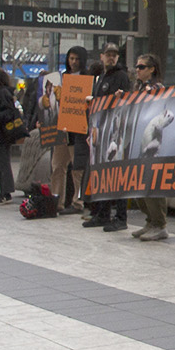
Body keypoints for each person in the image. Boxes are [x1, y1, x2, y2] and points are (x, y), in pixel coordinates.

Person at [89, 43, 133, 231]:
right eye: (108, 55)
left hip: (116, 131)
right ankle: (103, 213)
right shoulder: (101, 77)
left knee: (118, 174)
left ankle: (120, 217)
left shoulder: (121, 77)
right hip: (102, 130)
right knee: (103, 174)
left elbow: (126, 102)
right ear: (102, 56)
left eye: (114, 55)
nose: (111, 58)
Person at [131, 54, 173, 242]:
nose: (137, 70)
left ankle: (159, 223)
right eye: (137, 67)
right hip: (139, 142)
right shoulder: (138, 88)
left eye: (142, 67)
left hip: (152, 145)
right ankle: (150, 220)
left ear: (151, 69)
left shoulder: (157, 89)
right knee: (138, 186)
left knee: (151, 184)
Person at [48, 47, 91, 215]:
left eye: (76, 59)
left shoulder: (87, 78)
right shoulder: (61, 78)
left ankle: (78, 202)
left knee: (77, 168)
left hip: (78, 131)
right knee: (57, 166)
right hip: (61, 129)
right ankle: (56, 200)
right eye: (71, 58)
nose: (73, 62)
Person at [0, 67, 20, 205]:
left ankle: (5, 193)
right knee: (0, 162)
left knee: (3, 162)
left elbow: (9, 113)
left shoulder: (2, 93)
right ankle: (4, 191)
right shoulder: (0, 92)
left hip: (2, 132)